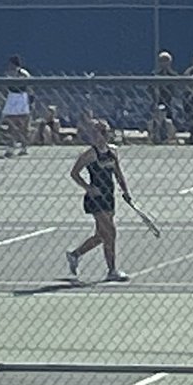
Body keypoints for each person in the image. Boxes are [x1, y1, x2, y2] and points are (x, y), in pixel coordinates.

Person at [66, 120, 131, 283]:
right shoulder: (90, 154)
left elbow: (118, 174)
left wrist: (125, 191)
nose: (100, 136)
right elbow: (74, 173)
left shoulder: (112, 152)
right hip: (96, 198)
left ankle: (75, 254)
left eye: (103, 132)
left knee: (102, 235)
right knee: (111, 232)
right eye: (97, 133)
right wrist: (88, 188)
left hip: (109, 196)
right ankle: (112, 270)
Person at [1, 55, 32, 157]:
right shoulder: (8, 74)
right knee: (11, 124)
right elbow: (5, 87)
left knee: (23, 125)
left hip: (21, 98)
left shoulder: (23, 73)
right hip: (12, 97)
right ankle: (10, 148)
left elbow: (29, 87)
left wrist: (30, 101)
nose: (10, 66)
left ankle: (24, 147)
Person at [152, 50, 178, 124]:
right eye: (162, 61)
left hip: (170, 100)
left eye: (166, 60)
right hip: (158, 99)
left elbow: (175, 90)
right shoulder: (155, 74)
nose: (164, 63)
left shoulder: (174, 75)